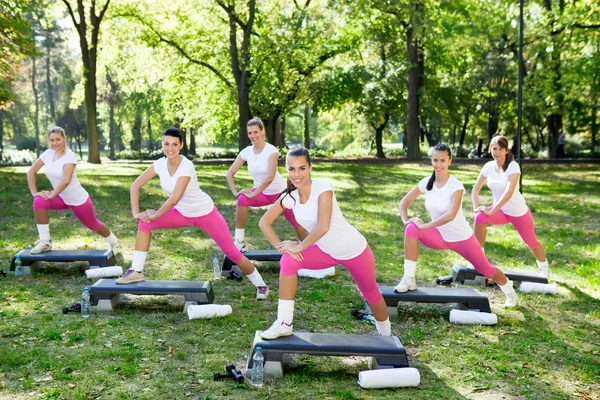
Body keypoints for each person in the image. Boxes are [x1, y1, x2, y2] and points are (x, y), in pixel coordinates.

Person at [116, 128, 270, 300]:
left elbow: (174, 198)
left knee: (232, 252)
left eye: (175, 144)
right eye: (166, 144)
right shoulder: (159, 164)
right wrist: (137, 213)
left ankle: (261, 285)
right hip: (182, 213)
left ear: (181, 145)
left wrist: (157, 214)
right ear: (162, 144)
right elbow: (135, 185)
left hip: (205, 213)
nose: (170, 148)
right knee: (145, 223)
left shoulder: (186, 165)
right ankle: (136, 270)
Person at [257, 147, 391, 339]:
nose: (297, 174)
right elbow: (264, 222)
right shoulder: (290, 198)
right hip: (326, 251)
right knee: (288, 260)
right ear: (286, 170)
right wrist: (281, 246)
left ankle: (386, 338)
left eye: (302, 168)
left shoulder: (323, 188)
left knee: (372, 295)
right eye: (291, 169)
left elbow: (323, 226)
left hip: (354, 249)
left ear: (310, 167)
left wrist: (298, 246)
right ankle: (284, 323)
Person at [396, 144, 518, 307]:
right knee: (411, 229)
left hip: (462, 239)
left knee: (486, 270)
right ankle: (409, 278)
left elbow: (450, 215)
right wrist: (407, 221)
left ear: (449, 161)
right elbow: (403, 203)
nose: (438, 164)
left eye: (442, 160)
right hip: (439, 237)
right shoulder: (426, 182)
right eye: (435, 160)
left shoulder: (456, 186)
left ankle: (510, 292)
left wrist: (424, 226)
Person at [26, 126, 118, 255]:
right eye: (52, 140)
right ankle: (45, 241)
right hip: (60, 197)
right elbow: (31, 171)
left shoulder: (70, 156)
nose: (55, 143)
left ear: (64, 139)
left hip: (77, 199)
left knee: (93, 225)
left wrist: (52, 194)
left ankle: (114, 243)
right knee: (38, 201)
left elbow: (65, 180)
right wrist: (34, 193)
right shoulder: (47, 154)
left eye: (58, 139)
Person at [472, 135, 549, 278]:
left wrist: (491, 210)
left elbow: (508, 193)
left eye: (501, 149)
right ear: (490, 149)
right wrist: (477, 207)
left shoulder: (513, 166)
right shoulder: (488, 167)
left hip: (518, 212)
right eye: (495, 148)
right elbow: (475, 189)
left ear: (506, 150)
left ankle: (544, 269)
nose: (497, 152)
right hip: (500, 210)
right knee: (480, 218)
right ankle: (478, 259)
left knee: (531, 242)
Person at [225, 117, 305, 251]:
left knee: (296, 222)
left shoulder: (271, 151)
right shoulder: (246, 152)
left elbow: (270, 177)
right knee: (242, 199)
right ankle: (239, 242)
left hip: (281, 194)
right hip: (262, 192)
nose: (253, 136)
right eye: (250, 133)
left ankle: (305, 247)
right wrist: (235, 192)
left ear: (262, 132)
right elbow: (229, 173)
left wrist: (253, 194)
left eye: (255, 132)